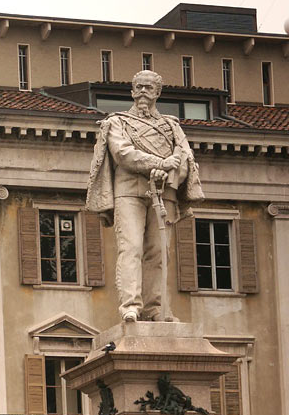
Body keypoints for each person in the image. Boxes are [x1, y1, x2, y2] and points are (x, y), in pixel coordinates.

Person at [86, 70, 204, 322]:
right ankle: (130, 305)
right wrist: (160, 163)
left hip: (164, 193)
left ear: (158, 93)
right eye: (138, 87)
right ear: (131, 91)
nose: (142, 92)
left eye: (148, 88)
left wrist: (170, 175)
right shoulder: (117, 122)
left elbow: (185, 156)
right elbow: (122, 153)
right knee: (131, 248)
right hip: (129, 191)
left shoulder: (172, 126)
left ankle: (156, 308)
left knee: (159, 252)